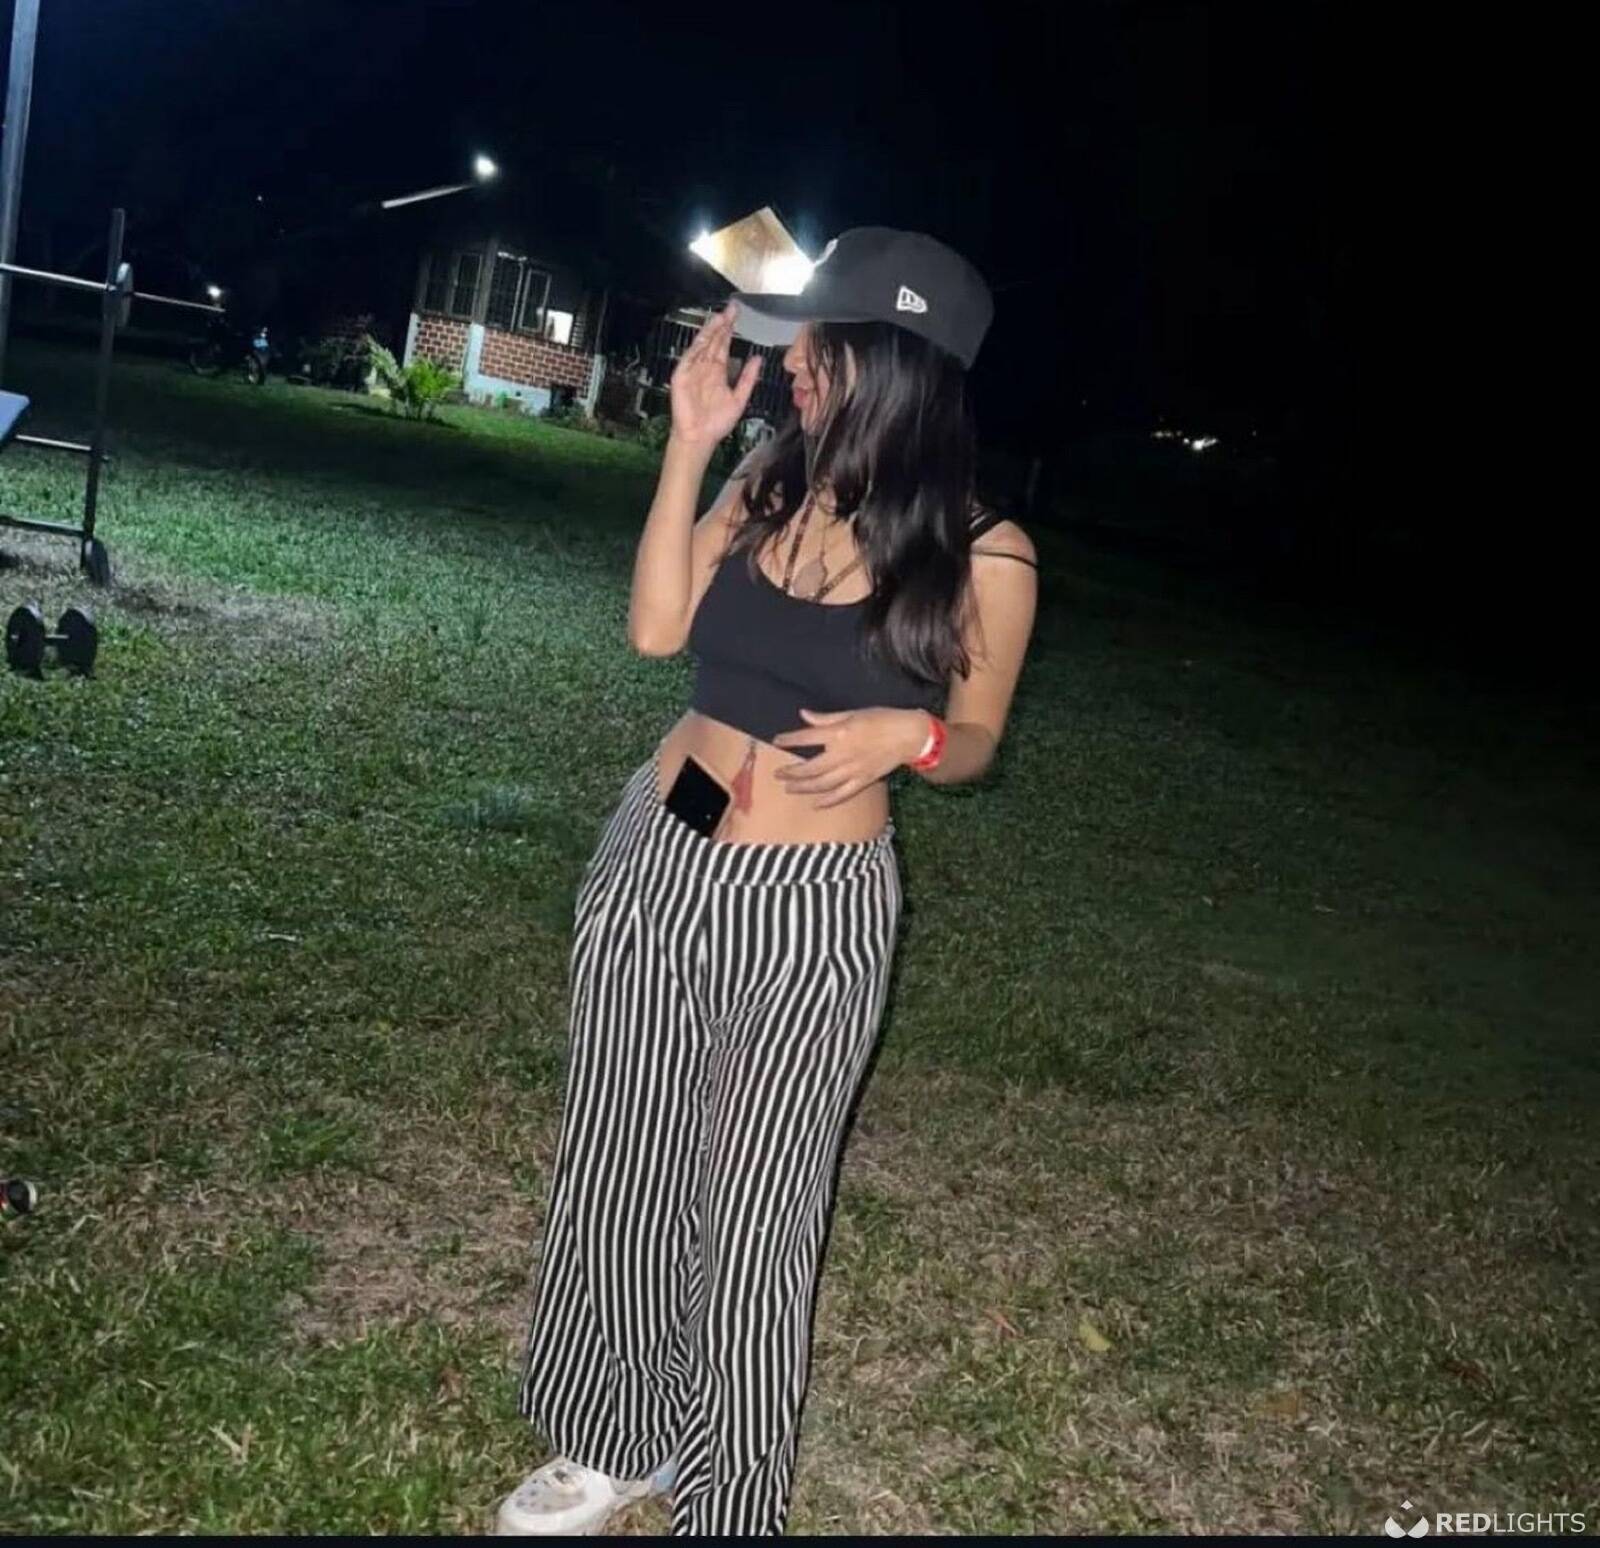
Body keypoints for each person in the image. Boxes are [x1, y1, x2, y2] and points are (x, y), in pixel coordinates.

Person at [496, 228, 1039, 1537]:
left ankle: (729, 1500)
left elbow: (976, 739)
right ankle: (611, 1438)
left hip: (814, 905)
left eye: (820, 346)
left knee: (759, 1212)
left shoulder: (986, 552)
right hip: (659, 853)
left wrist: (910, 738)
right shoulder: (769, 478)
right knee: (621, 1158)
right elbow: (654, 629)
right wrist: (689, 444)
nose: (793, 364)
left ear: (892, 362)